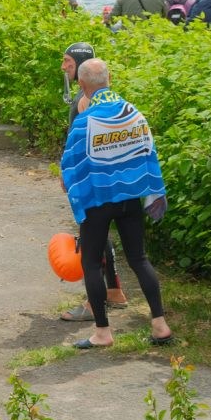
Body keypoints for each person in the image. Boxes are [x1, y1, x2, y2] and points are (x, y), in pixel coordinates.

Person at [61, 58, 173, 349]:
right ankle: (160, 325)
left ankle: (103, 333)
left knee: (90, 263)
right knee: (139, 259)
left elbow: (69, 169)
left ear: (82, 85)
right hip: (130, 197)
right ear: (109, 78)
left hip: (98, 200)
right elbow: (147, 154)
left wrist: (75, 187)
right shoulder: (133, 114)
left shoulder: (84, 121)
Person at [59, 43, 128, 323]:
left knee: (92, 238)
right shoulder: (92, 95)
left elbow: (88, 139)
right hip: (103, 175)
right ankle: (114, 292)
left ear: (79, 63)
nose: (63, 66)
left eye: (67, 61)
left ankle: (93, 303)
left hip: (89, 176)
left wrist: (69, 173)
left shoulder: (85, 99)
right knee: (102, 234)